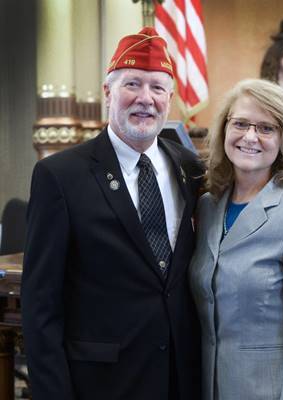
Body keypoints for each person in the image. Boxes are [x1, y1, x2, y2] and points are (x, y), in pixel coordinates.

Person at [21, 27, 204, 400]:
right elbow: (41, 306)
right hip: (102, 383)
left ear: (170, 98)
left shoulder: (191, 168)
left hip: (180, 379)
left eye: (157, 88)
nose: (145, 99)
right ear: (108, 92)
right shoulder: (60, 176)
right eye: (132, 84)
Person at [189, 79, 283, 400]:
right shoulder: (208, 207)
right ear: (224, 129)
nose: (250, 136)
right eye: (240, 123)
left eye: (267, 128)